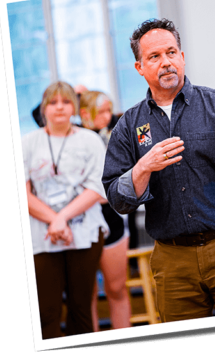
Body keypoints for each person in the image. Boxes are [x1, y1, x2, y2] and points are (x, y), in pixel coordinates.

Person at [102, 18, 215, 322]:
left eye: (171, 52)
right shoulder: (127, 125)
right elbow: (117, 198)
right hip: (173, 260)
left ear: (182, 57)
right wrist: (143, 167)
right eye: (154, 56)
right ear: (140, 67)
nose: (166, 62)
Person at [25, 81, 109, 338]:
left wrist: (62, 217)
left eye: (65, 101)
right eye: (52, 102)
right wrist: (55, 221)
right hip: (42, 236)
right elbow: (21, 192)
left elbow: (98, 188)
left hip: (84, 234)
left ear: (74, 106)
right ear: (43, 109)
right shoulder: (28, 142)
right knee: (46, 311)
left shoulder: (90, 140)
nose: (59, 107)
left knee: (81, 309)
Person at [78, 90, 131, 330]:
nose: (106, 116)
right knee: (85, 294)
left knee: (117, 288)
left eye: (108, 110)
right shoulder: (73, 137)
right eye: (100, 112)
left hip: (113, 219)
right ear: (84, 113)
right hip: (82, 220)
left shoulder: (114, 133)